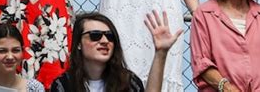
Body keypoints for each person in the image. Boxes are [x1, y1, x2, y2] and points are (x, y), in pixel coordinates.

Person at [50, 10, 182, 92]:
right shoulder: (64, 84)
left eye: (110, 36)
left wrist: (161, 53)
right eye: (95, 35)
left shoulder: (129, 82)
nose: (104, 40)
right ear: (78, 43)